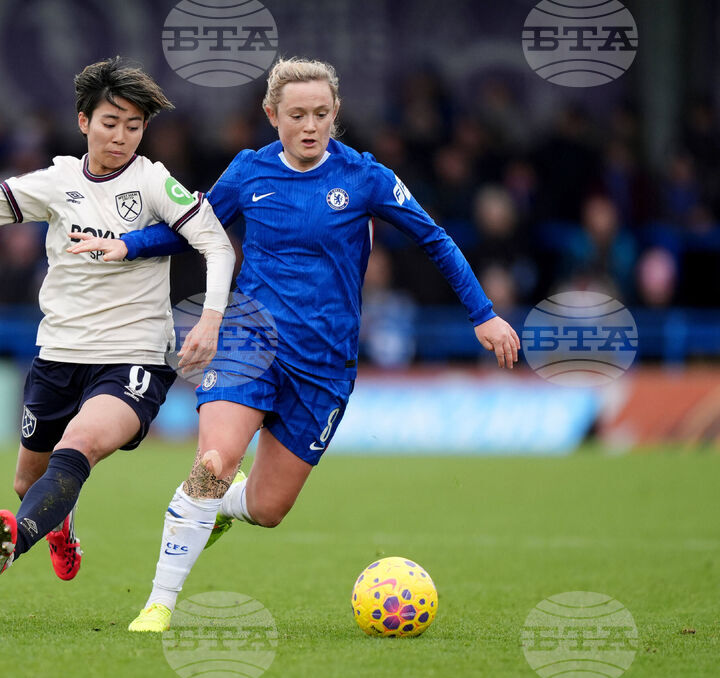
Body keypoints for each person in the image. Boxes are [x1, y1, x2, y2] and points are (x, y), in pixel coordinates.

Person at [67, 57, 520, 632]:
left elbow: (434, 237)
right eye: (297, 114)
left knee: (268, 509)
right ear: (272, 114)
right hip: (250, 341)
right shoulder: (249, 173)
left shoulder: (365, 177)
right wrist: (127, 245)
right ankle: (159, 603)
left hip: (325, 366)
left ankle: (221, 506)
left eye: (322, 114)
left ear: (336, 115)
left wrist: (483, 314)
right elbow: (191, 226)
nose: (310, 126)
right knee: (212, 461)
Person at [0, 57, 235, 590]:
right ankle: (56, 525)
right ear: (84, 121)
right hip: (58, 354)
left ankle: (12, 541)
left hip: (132, 354)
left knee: (80, 444)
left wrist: (210, 320)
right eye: (110, 123)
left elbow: (216, 243)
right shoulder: (57, 180)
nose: (121, 137)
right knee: (28, 479)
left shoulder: (156, 182)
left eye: (134, 127)